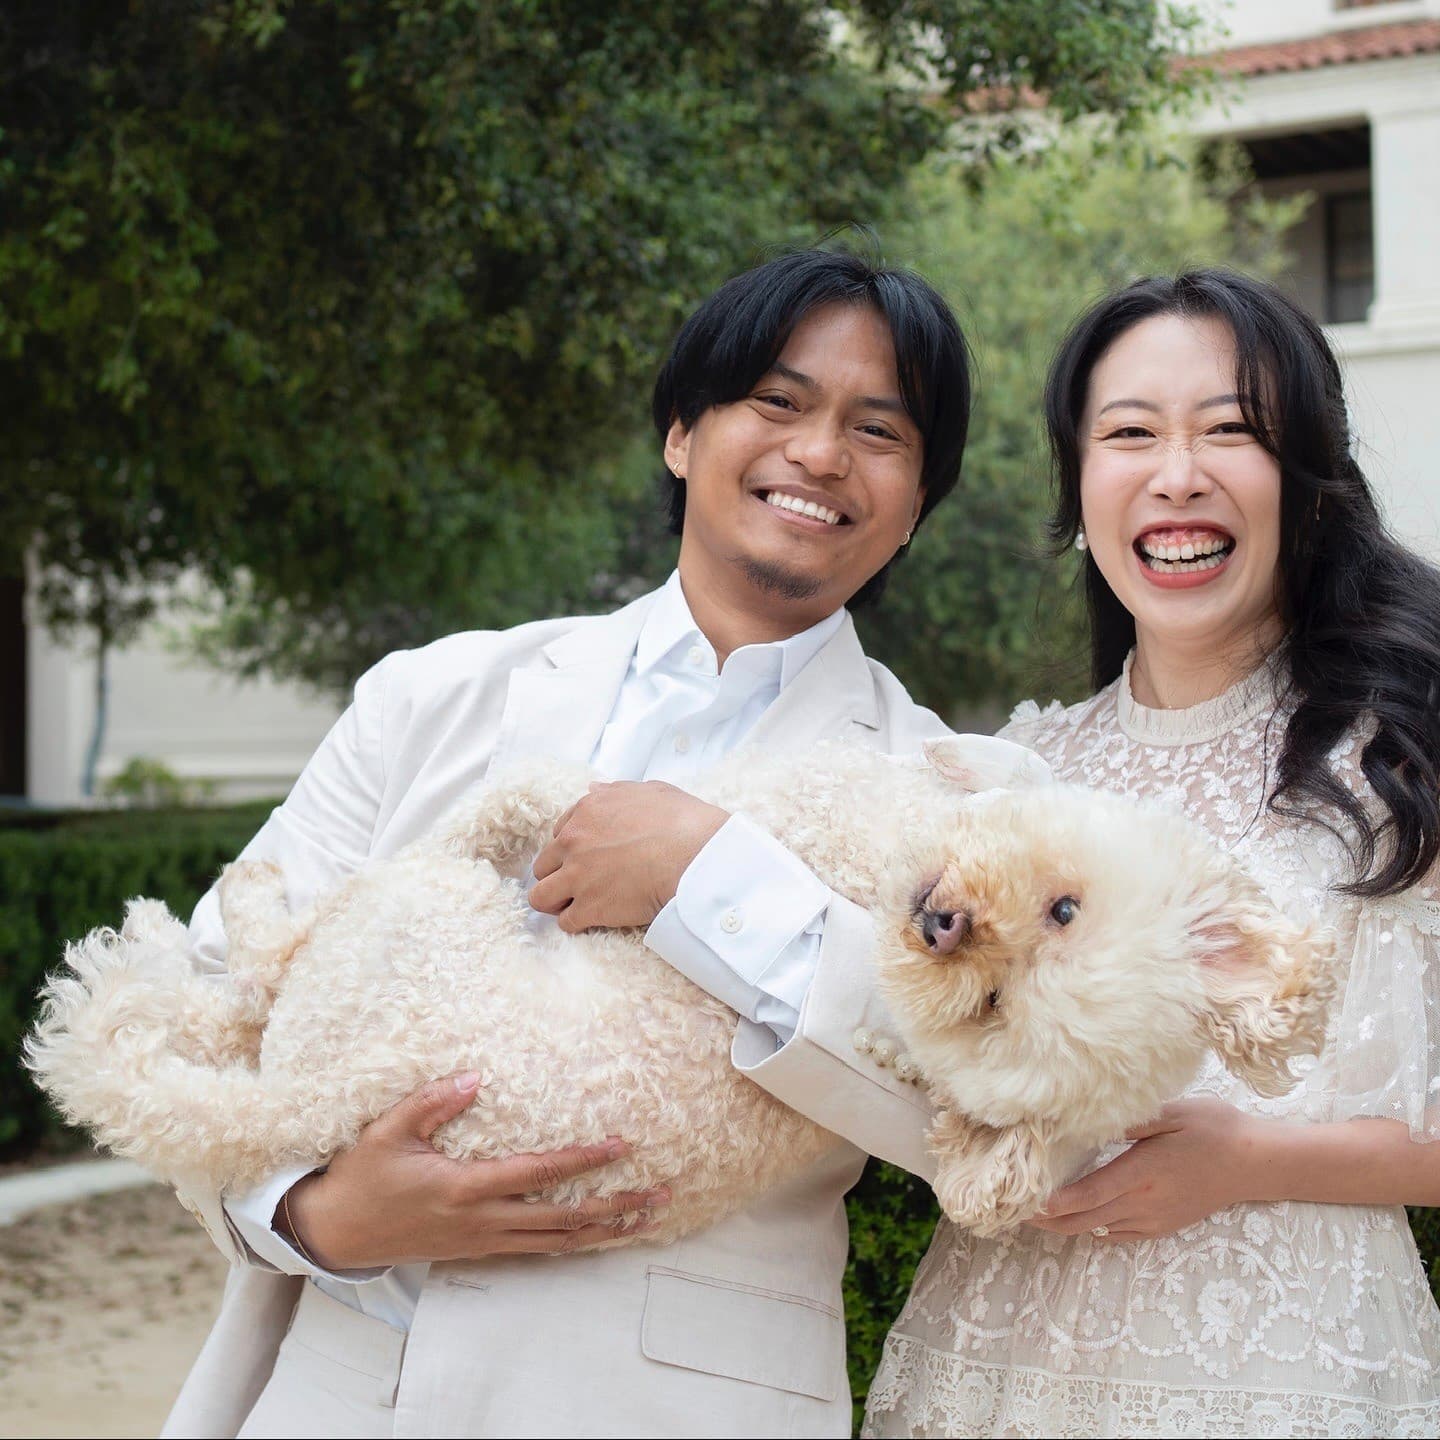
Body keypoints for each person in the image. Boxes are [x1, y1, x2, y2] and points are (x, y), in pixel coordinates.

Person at [161, 247, 972, 1440]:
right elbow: (208, 1006)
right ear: (683, 434)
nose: (820, 453)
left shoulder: (945, 791)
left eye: (879, 430)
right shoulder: (429, 696)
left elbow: (961, 1105)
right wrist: (321, 1215)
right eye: (778, 401)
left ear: (913, 507)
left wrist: (713, 880)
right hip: (335, 1393)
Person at [858, 270, 1440, 1437]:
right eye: (1130, 434)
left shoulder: (1404, 760)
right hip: (995, 1367)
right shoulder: (1014, 778)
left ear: (1310, 483)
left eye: (1232, 430)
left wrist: (1251, 1161)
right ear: (1081, 486)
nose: (1179, 473)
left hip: (1284, 1372)